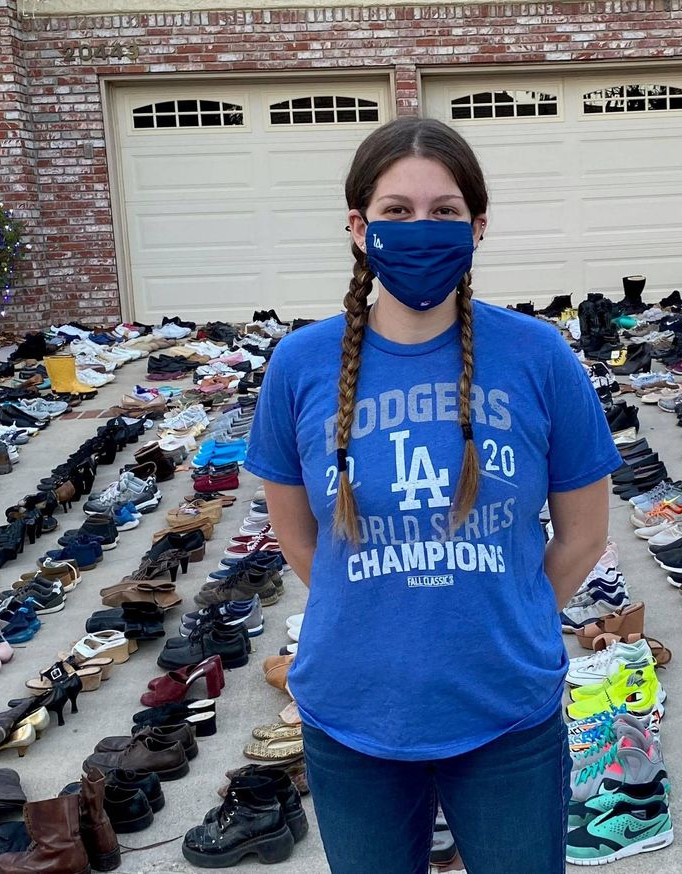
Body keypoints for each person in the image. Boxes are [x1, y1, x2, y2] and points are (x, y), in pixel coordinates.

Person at [244, 117, 621, 874]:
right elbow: (297, 539)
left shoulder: (538, 354)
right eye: (396, 211)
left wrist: (505, 612)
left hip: (504, 708)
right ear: (359, 227)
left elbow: (582, 534)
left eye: (444, 212)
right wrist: (378, 613)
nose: (422, 228)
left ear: (477, 227)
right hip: (352, 712)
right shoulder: (300, 364)